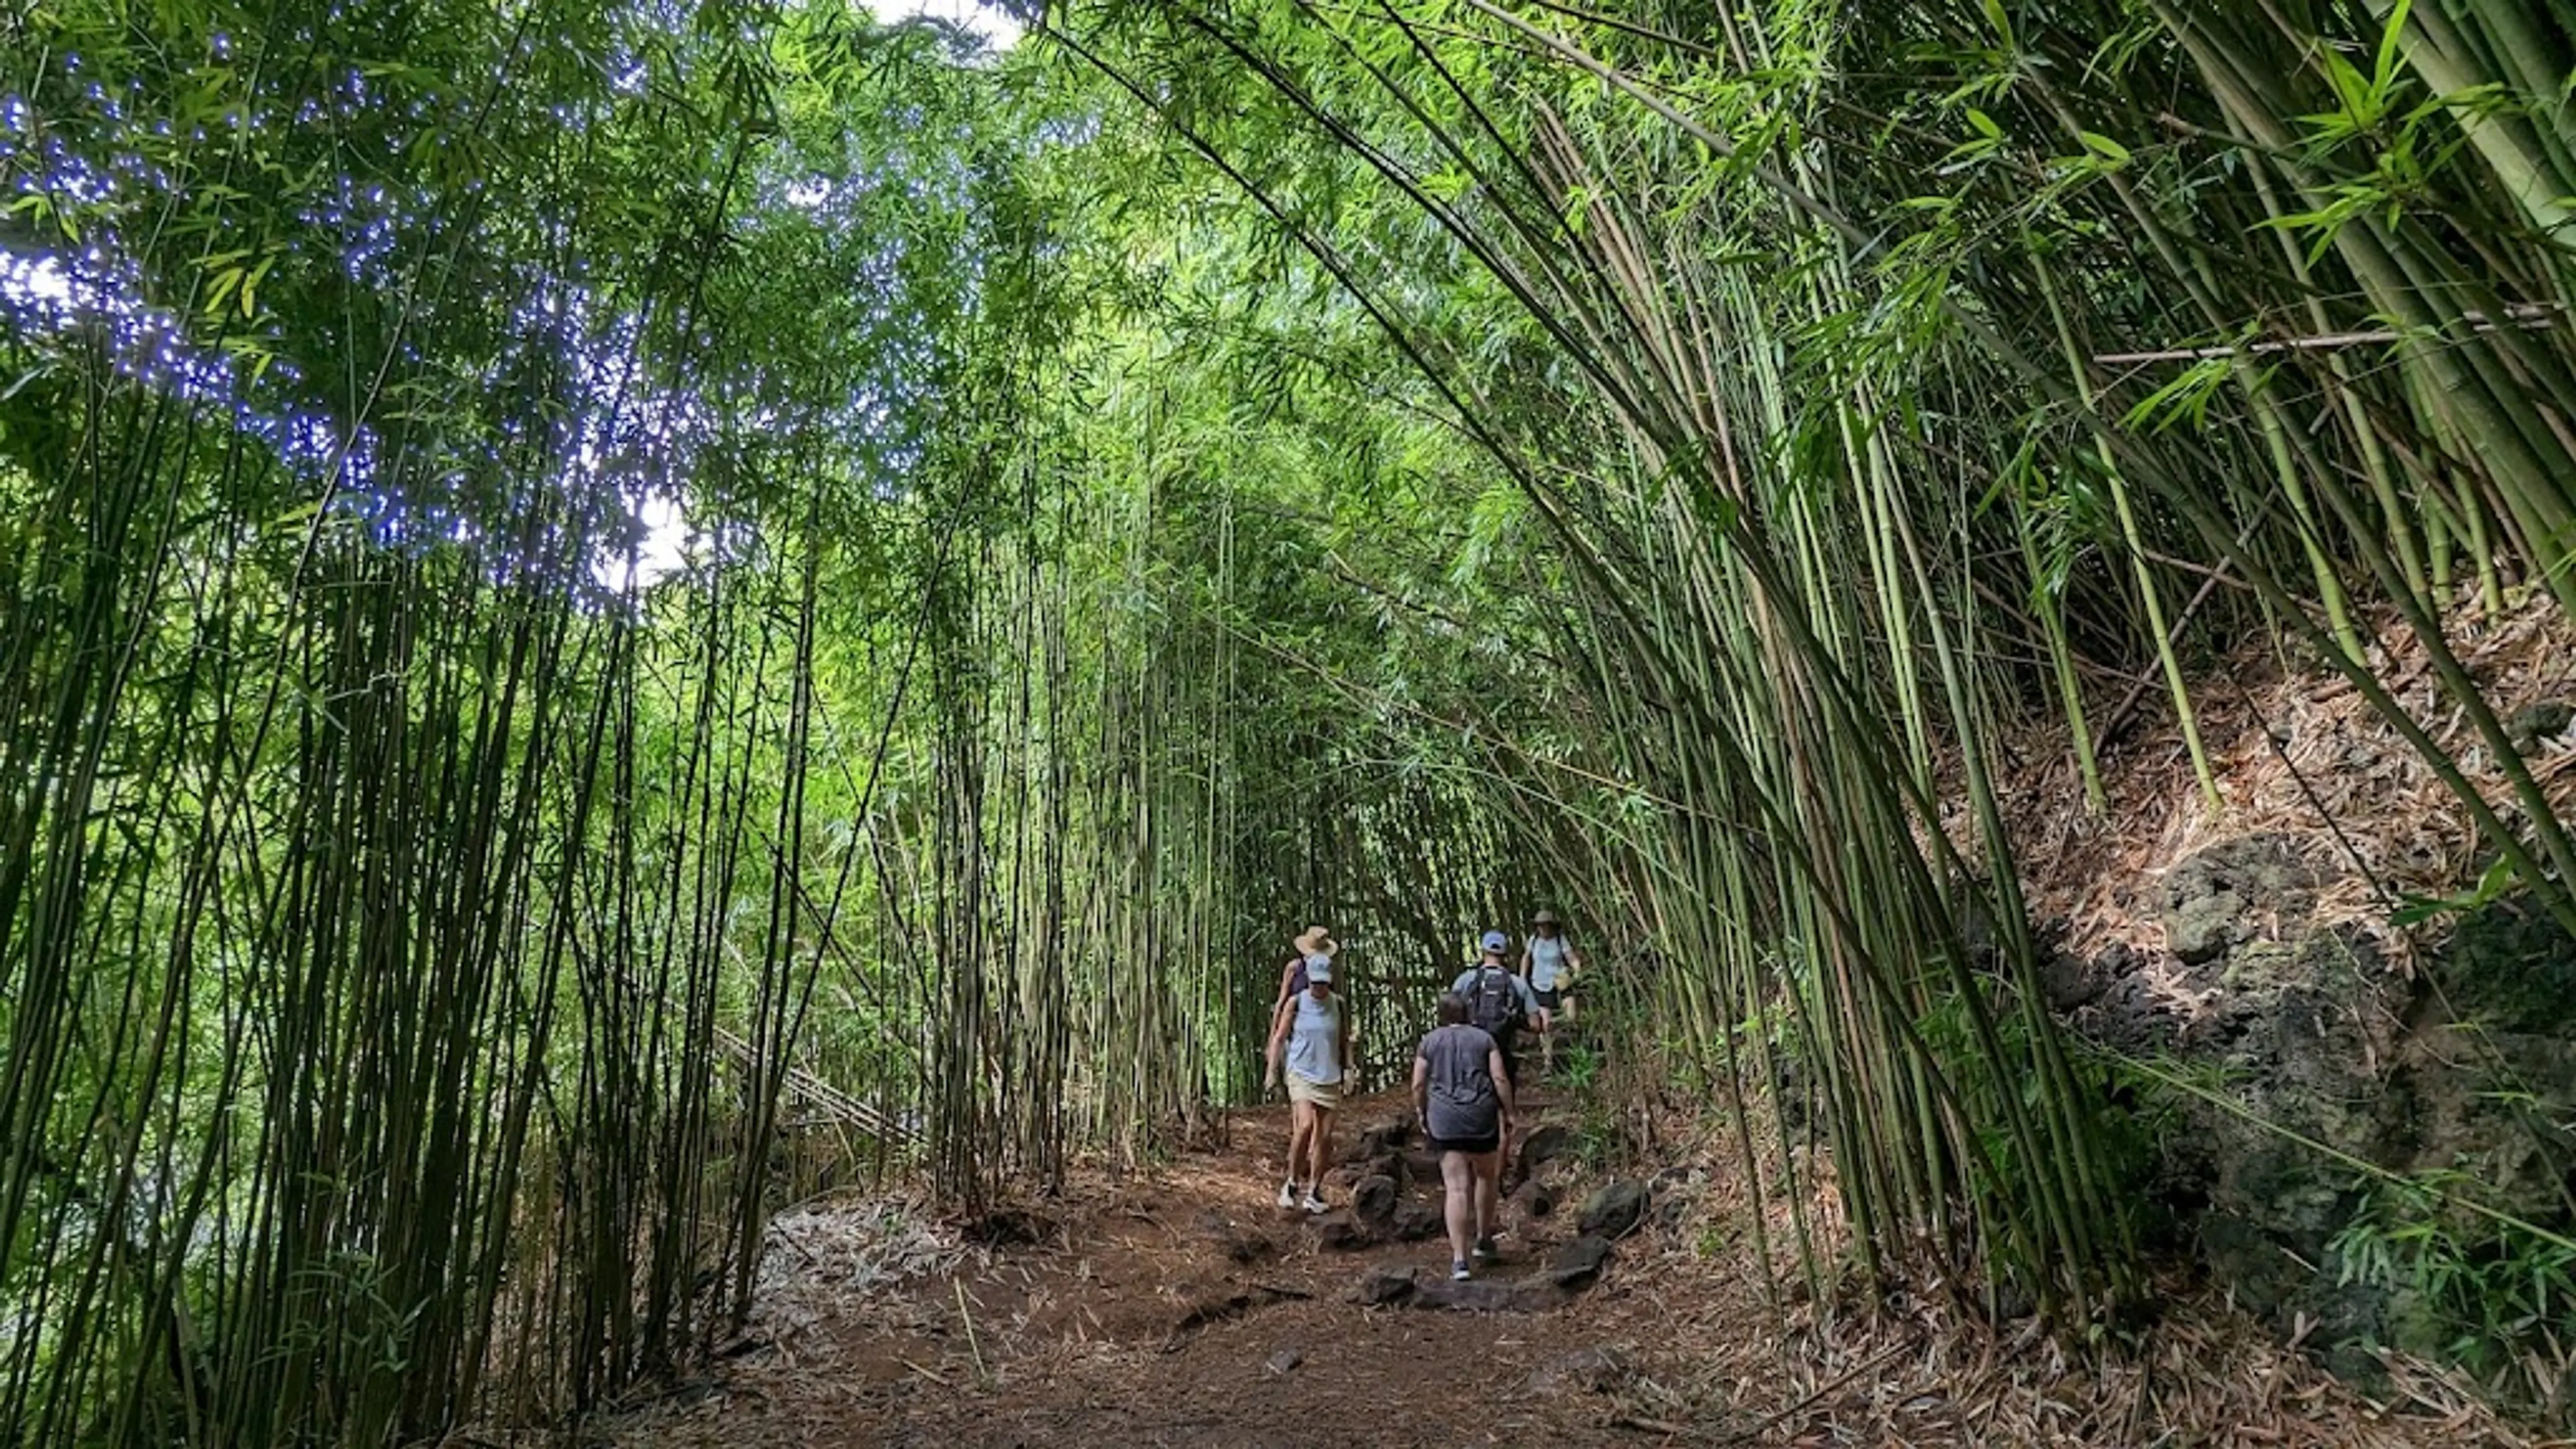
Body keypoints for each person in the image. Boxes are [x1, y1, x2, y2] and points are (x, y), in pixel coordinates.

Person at [1411, 991, 1515, 1281]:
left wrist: (1422, 1112)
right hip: (1481, 1117)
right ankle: (1483, 1238)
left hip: (1445, 1120)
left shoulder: (1429, 1042)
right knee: (1486, 1176)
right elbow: (1499, 1078)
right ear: (1468, 1012)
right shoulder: (1484, 1039)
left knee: (1456, 1188)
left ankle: (1460, 1260)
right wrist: (1509, 1112)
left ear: (1441, 1015)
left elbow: (1418, 1084)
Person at [1264, 951, 1353, 1213]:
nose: (1319, 988)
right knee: (1304, 1126)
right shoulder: (1297, 1002)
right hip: (1301, 1072)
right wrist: (1272, 1070)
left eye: (1323, 983)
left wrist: (1349, 1068)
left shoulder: (1338, 1004)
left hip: (1329, 1074)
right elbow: (1280, 1037)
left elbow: (1344, 1040)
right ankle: (1291, 1183)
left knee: (1324, 1137)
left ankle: (1314, 1190)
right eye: (1315, 983)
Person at [1450, 930, 1540, 1089]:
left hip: (1471, 1046)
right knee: (1504, 1080)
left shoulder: (1465, 980)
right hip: (1503, 1045)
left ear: (1484, 952)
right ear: (1505, 954)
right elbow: (1535, 1025)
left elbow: (1450, 1013)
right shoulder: (1518, 984)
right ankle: (1507, 1113)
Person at [1521, 909, 1583, 1073]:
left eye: (1545, 925)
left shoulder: (1559, 939)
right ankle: (1548, 1062)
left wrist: (1577, 971)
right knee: (1546, 1025)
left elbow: (1571, 958)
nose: (1543, 929)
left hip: (1560, 982)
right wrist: (1522, 978)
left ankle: (1574, 1054)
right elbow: (1526, 958)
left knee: (1571, 1017)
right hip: (1540, 984)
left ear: (1551, 926)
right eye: (1540, 926)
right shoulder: (1534, 940)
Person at [1272, 926, 1336, 1016]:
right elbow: (1282, 1000)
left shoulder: (1328, 969)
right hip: (1295, 1020)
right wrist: (1275, 1027)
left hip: (1321, 1018)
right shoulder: (1295, 967)